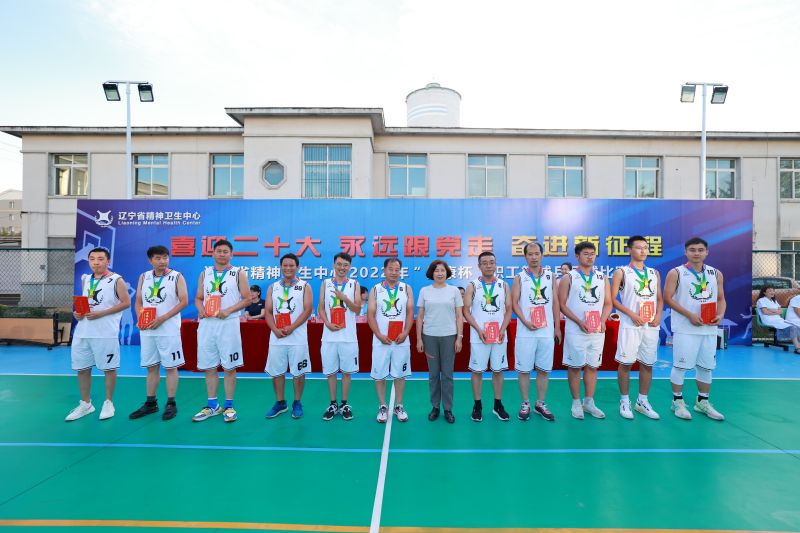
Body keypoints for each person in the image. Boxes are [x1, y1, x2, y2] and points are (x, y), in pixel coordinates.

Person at [663, 237, 726, 421]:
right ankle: (677, 401)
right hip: (685, 328)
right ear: (686, 252)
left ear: (706, 252)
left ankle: (702, 402)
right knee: (680, 366)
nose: (696, 253)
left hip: (708, 329)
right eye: (692, 250)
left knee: (706, 367)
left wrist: (720, 314)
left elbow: (721, 298)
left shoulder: (716, 273)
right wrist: (689, 314)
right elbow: (667, 298)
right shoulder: (676, 273)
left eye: (700, 250)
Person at [66, 247, 131, 421]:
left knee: (109, 369)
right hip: (83, 332)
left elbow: (126, 303)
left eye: (100, 259)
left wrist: (101, 313)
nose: (96, 262)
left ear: (108, 261)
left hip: (105, 333)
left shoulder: (116, 280)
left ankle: (109, 403)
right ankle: (86, 404)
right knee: (82, 369)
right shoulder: (86, 279)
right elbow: (86, 304)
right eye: (92, 259)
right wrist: (78, 313)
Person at [191, 239, 250, 423]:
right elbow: (198, 298)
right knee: (209, 366)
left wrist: (228, 310)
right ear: (213, 253)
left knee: (229, 366)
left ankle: (229, 406)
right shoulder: (205, 273)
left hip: (228, 324)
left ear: (231, 254)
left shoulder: (238, 273)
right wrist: (200, 309)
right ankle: (212, 405)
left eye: (226, 251)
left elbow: (247, 298)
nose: (222, 254)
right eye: (219, 251)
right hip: (207, 324)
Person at [130, 245, 189, 421]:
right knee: (151, 367)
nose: (162, 261)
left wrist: (162, 318)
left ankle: (171, 403)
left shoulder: (176, 276)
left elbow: (184, 301)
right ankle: (150, 403)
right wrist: (141, 318)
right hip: (148, 330)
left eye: (165, 257)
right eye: (158, 258)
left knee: (171, 367)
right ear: (150, 260)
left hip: (168, 330)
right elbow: (138, 301)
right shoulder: (144, 277)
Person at [558, 241, 613, 420]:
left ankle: (589, 402)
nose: (590, 257)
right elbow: (562, 305)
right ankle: (576, 402)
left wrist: (602, 320)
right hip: (576, 330)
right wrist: (578, 321)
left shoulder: (602, 277)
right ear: (577, 256)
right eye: (585, 253)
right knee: (575, 367)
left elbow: (608, 303)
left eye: (592, 253)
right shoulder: (569, 277)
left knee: (592, 366)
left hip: (596, 330)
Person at [610, 236, 662, 420]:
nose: (643, 251)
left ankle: (642, 401)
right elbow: (612, 299)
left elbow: (659, 298)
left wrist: (658, 316)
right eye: (639, 247)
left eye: (645, 248)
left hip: (650, 326)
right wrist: (632, 314)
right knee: (626, 364)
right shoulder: (621, 272)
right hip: (630, 325)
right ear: (629, 250)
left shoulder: (654, 273)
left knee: (647, 364)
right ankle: (625, 401)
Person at [511, 242, 561, 422]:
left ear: (542, 255)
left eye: (537, 253)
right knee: (524, 370)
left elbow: (555, 303)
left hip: (546, 331)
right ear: (525, 256)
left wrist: (557, 327)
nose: (533, 257)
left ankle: (540, 403)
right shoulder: (519, 277)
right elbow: (514, 303)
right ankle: (525, 403)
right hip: (526, 331)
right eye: (530, 254)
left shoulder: (550, 276)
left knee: (543, 369)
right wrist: (525, 321)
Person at [463, 251, 512, 422]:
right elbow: (466, 311)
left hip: (499, 335)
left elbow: (509, 310)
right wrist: (478, 329)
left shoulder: (503, 285)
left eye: (492, 262)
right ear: (479, 266)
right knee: (477, 371)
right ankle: (477, 405)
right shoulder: (473, 286)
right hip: (479, 336)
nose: (489, 265)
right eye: (485, 263)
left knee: (498, 370)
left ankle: (498, 405)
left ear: (496, 264)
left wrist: (503, 329)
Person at [264, 253, 313, 419]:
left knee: (298, 372)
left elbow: (307, 310)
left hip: (297, 337)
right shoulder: (273, 287)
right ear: (280, 267)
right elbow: (268, 311)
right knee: (277, 371)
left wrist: (292, 327)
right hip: (277, 337)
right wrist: (274, 329)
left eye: (291, 265)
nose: (288, 268)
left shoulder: (305, 286)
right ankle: (280, 403)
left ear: (297, 267)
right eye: (285, 265)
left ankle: (297, 402)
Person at [416, 259, 463, 424]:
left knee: (448, 374)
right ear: (432, 273)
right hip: (429, 336)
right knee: (434, 374)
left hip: (449, 336)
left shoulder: (454, 291)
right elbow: (420, 317)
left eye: (442, 270)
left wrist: (459, 338)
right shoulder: (424, 291)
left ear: (447, 272)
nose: (440, 273)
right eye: (436, 270)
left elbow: (459, 316)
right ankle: (435, 407)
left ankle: (448, 409)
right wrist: (419, 339)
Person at [368, 257, 414, 423]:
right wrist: (379, 335)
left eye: (397, 269)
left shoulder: (406, 288)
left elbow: (410, 312)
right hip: (381, 340)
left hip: (401, 340)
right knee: (380, 374)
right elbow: (370, 314)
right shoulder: (376, 289)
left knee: (400, 375)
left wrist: (406, 332)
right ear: (384, 270)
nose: (394, 272)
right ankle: (382, 406)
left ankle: (399, 405)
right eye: (391, 269)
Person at [318, 252, 362, 421]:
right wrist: (327, 323)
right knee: (330, 373)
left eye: (345, 265)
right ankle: (333, 404)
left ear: (350, 267)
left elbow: (357, 309)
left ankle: (344, 404)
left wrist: (344, 298)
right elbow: (321, 308)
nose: (342, 268)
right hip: (329, 336)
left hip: (348, 337)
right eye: (339, 264)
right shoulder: (325, 283)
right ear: (333, 265)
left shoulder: (354, 284)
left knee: (346, 373)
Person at [756, 286, 800, 352]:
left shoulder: (774, 301)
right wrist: (775, 311)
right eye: (770, 291)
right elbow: (765, 312)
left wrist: (770, 309)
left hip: (778, 319)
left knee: (796, 326)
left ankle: (798, 345)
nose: (772, 292)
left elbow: (780, 312)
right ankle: (797, 348)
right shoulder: (761, 300)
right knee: (792, 327)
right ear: (764, 292)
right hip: (768, 320)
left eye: (773, 290)